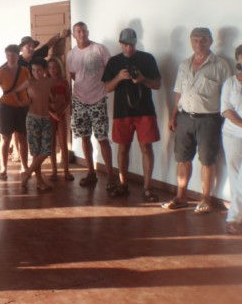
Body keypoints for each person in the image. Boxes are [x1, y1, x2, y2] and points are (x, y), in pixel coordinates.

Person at [162, 27, 232, 213]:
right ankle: (181, 197)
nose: (198, 44)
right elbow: (178, 91)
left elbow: (228, 95)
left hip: (209, 120)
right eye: (194, 40)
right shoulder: (184, 65)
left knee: (207, 161)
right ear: (190, 42)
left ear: (210, 41)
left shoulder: (221, 65)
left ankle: (206, 199)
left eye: (202, 40)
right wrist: (174, 115)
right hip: (185, 118)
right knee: (183, 159)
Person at [102, 29, 162, 200]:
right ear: (120, 43)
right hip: (122, 111)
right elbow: (107, 88)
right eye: (125, 44)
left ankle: (147, 188)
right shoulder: (114, 62)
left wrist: (143, 80)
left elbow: (157, 84)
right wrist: (119, 78)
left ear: (136, 42)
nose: (128, 48)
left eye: (132, 44)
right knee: (122, 148)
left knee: (146, 148)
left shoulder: (147, 58)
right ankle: (123, 184)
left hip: (145, 110)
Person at [66, 21, 115, 187]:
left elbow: (110, 70)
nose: (81, 34)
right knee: (84, 137)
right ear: (74, 35)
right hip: (79, 100)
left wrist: (97, 86)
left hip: (98, 99)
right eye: (77, 31)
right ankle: (91, 173)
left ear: (88, 31)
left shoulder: (99, 49)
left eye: (83, 30)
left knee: (102, 138)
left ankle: (110, 176)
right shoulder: (71, 54)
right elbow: (74, 75)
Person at [221, 43, 242, 234]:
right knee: (235, 174)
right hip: (232, 133)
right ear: (238, 59)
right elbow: (226, 111)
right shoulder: (231, 82)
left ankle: (234, 217)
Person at [0, 44, 30, 180]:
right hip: (6, 107)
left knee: (23, 138)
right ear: (5, 55)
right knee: (5, 138)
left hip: (22, 107)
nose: (10, 58)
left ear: (18, 55)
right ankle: (3, 168)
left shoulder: (25, 70)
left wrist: (29, 101)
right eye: (8, 55)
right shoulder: (1, 72)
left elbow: (30, 85)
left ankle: (24, 166)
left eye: (13, 55)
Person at [17, 58, 54, 191]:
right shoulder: (29, 82)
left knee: (45, 151)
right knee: (36, 152)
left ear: (44, 70)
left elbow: (51, 97)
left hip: (46, 119)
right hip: (32, 119)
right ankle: (39, 182)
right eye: (33, 70)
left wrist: (53, 103)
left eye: (39, 70)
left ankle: (27, 173)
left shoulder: (49, 81)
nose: (36, 72)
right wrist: (23, 101)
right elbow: (16, 91)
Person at [47, 56, 73, 182]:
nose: (53, 70)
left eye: (55, 67)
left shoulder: (64, 82)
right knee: (51, 144)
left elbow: (68, 99)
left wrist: (62, 111)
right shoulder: (45, 82)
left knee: (63, 143)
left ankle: (66, 171)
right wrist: (52, 114)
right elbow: (43, 102)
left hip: (61, 115)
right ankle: (54, 171)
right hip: (49, 116)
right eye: (50, 67)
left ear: (59, 68)